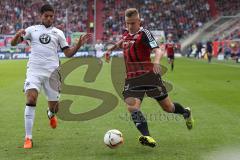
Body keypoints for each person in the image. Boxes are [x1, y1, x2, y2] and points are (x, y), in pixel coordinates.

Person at [104, 8, 194, 148]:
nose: (129, 26)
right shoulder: (127, 34)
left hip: (148, 76)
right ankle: (147, 136)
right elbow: (123, 41)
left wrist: (157, 62)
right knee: (132, 107)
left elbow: (158, 49)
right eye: (127, 23)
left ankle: (186, 112)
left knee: (168, 108)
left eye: (132, 23)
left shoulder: (144, 34)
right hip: (132, 79)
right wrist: (110, 49)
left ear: (139, 21)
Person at [11, 4, 91, 149]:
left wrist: (78, 44)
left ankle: (51, 113)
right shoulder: (31, 30)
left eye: (51, 16)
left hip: (52, 74)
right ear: (41, 16)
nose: (49, 18)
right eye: (46, 16)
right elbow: (13, 43)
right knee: (31, 99)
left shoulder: (58, 33)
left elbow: (68, 54)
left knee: (55, 108)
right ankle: (28, 138)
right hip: (34, 71)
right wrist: (17, 35)